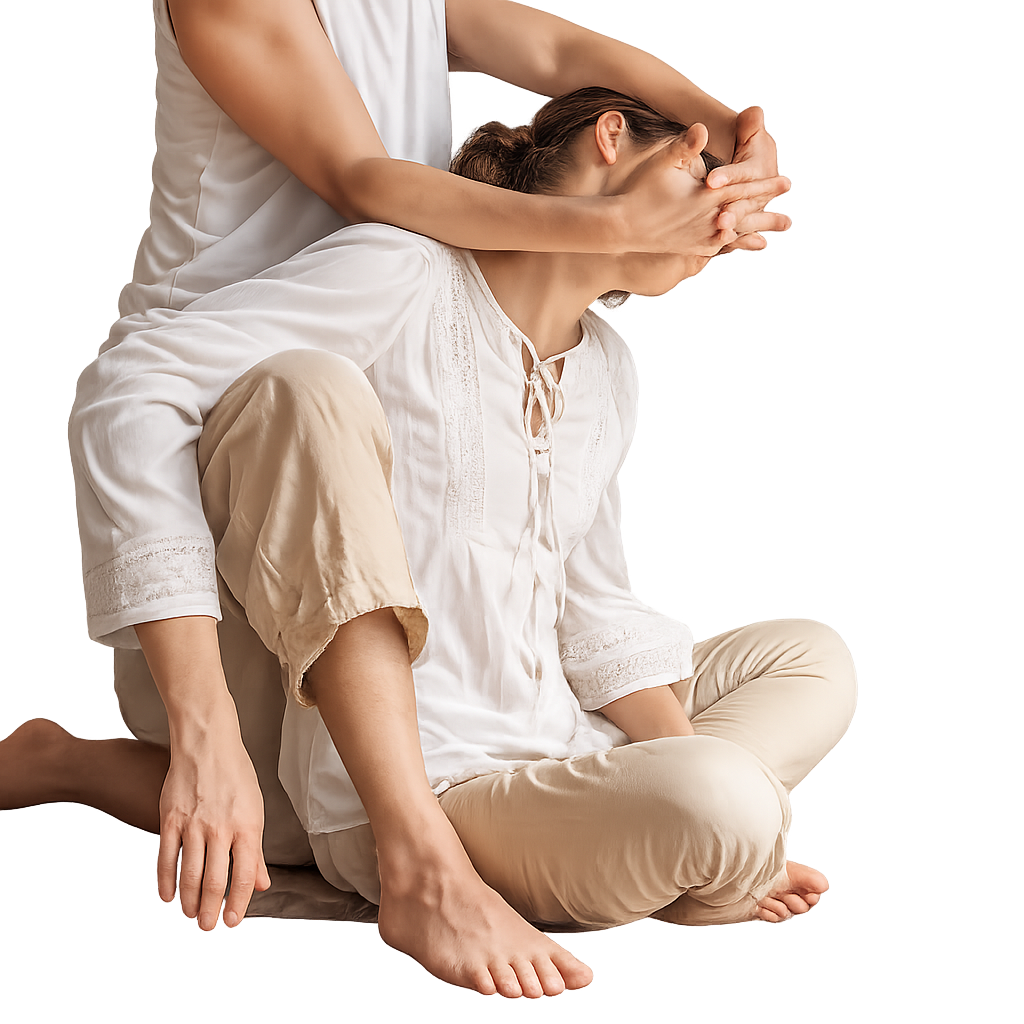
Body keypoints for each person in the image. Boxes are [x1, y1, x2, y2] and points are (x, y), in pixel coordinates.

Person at [2, 89, 851, 999]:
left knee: (813, 662)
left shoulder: (608, 367)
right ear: (613, 138)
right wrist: (714, 809)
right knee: (725, 803)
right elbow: (134, 386)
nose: (723, 225)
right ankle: (479, 860)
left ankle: (683, 835)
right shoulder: (405, 272)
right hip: (436, 787)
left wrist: (676, 767)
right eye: (707, 180)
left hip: (561, 745)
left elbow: (595, 614)